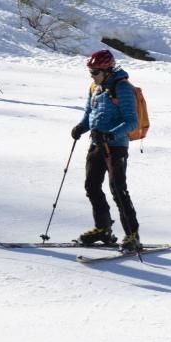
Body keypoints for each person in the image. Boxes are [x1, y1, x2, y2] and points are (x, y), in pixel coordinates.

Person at [70, 49, 142, 251]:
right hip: (96, 144)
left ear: (108, 70)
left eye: (95, 72)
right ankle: (103, 229)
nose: (92, 76)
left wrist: (111, 135)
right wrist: (80, 128)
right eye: (90, 72)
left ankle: (132, 235)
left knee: (118, 190)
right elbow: (89, 114)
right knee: (91, 187)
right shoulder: (95, 87)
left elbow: (132, 122)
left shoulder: (123, 88)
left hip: (116, 147)